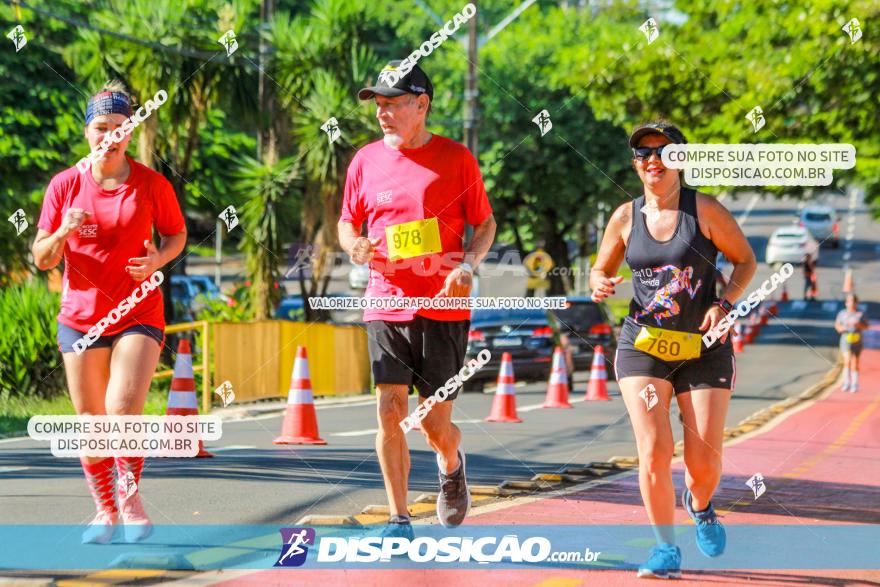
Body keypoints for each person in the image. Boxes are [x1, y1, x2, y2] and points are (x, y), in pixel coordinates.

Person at [589, 121, 757, 578]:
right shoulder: (625, 217)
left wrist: (724, 305)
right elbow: (598, 268)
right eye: (643, 153)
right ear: (634, 163)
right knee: (655, 448)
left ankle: (699, 503)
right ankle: (665, 549)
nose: (652, 160)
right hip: (644, 345)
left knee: (703, 463)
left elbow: (746, 260)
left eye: (663, 151)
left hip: (704, 347)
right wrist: (599, 281)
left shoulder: (704, 210)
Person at [338, 61, 496, 536]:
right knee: (389, 407)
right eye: (378, 104)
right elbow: (348, 222)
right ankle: (398, 516)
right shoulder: (364, 161)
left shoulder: (456, 158)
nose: (382, 112)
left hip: (443, 305)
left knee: (432, 421)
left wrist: (467, 266)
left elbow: (485, 223)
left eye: (393, 102)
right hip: (385, 299)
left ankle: (451, 460)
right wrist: (354, 245)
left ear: (422, 105)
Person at [32, 80, 186, 544]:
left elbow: (175, 235)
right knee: (92, 422)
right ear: (87, 132)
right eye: (102, 126)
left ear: (132, 130)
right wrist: (62, 230)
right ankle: (105, 512)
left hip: (138, 311)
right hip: (79, 318)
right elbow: (41, 257)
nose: (111, 135)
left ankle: (131, 500)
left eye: (121, 127)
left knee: (122, 410)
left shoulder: (151, 184)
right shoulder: (64, 185)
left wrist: (157, 261)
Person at [835, 293, 868, 392]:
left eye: (853, 301)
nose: (851, 303)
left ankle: (854, 384)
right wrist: (841, 328)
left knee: (855, 362)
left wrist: (859, 325)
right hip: (846, 340)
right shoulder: (842, 313)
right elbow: (837, 325)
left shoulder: (860, 314)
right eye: (849, 301)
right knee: (847, 360)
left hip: (857, 340)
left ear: (856, 303)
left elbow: (866, 326)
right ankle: (846, 382)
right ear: (846, 303)